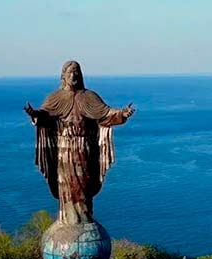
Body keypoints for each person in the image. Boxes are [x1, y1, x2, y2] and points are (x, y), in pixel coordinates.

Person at [25, 60, 134, 223]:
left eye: (76, 71)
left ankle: (84, 217)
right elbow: (45, 116)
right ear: (63, 75)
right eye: (70, 72)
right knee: (65, 183)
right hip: (64, 147)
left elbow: (105, 114)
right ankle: (67, 218)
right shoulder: (55, 98)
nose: (73, 75)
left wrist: (122, 114)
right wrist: (34, 114)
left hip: (84, 148)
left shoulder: (89, 97)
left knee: (84, 182)